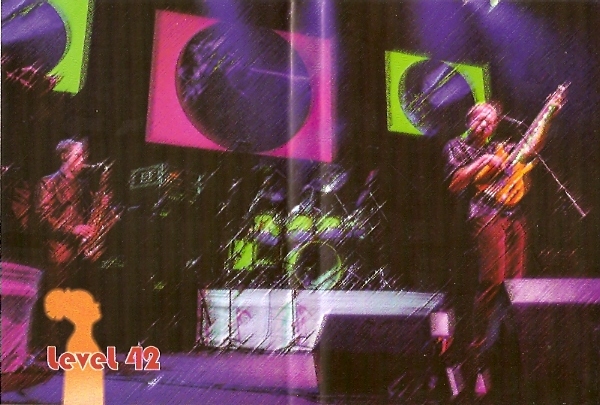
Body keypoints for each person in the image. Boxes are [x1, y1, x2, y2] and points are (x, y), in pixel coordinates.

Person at [443, 102, 530, 398]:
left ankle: (507, 351)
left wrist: (551, 111)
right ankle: (477, 350)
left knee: (515, 288)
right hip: (483, 215)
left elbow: (530, 149)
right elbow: (455, 184)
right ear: (470, 120)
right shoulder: (456, 146)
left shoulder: (500, 147)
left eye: (490, 121)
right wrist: (481, 162)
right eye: (480, 119)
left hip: (513, 216)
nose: (485, 125)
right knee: (492, 282)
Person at [34, 139, 99, 351]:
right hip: (58, 252)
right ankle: (50, 351)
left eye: (84, 156)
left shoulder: (83, 187)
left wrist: (98, 218)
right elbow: (43, 218)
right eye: (78, 156)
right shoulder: (48, 183)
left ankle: (70, 349)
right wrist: (73, 229)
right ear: (65, 157)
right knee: (55, 305)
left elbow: (88, 215)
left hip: (78, 253)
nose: (83, 160)